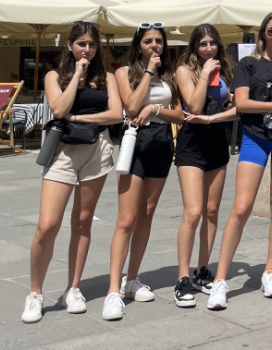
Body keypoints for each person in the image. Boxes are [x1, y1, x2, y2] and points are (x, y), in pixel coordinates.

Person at [22, 21, 122, 324]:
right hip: (63, 151)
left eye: (92, 44)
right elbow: (58, 109)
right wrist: (77, 76)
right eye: (81, 44)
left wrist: (81, 116)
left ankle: (73, 288)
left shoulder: (107, 78)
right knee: (48, 224)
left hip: (96, 150)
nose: (87, 50)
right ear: (70, 46)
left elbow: (116, 114)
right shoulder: (55, 75)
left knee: (82, 222)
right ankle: (35, 293)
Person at [206, 11, 272, 310]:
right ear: (263, 33)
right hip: (254, 136)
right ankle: (221, 280)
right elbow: (242, 103)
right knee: (241, 206)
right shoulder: (248, 64)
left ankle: (270, 272)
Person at [103, 24, 184, 320]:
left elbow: (180, 115)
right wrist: (149, 72)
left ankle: (132, 278)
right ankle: (113, 290)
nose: (154, 46)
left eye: (159, 41)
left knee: (147, 214)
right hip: (135, 143)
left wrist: (156, 111)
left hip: (162, 143)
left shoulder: (171, 75)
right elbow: (132, 105)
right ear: (139, 44)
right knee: (126, 218)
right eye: (148, 41)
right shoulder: (124, 73)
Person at [172, 24, 237, 307]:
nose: (208, 48)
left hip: (216, 143)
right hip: (191, 145)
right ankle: (183, 278)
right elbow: (195, 106)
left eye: (212, 43)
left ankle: (202, 270)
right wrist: (206, 75)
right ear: (194, 47)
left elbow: (236, 104)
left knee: (211, 211)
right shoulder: (184, 71)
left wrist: (221, 113)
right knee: (194, 211)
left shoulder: (226, 70)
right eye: (203, 44)